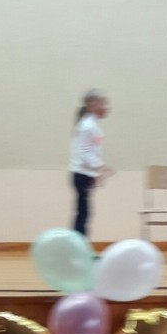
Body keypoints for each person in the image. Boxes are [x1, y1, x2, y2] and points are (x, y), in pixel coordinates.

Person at [68, 89, 111, 237]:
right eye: (102, 104)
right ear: (92, 105)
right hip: (81, 174)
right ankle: (78, 245)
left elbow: (90, 151)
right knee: (83, 214)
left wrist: (95, 173)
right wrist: (100, 167)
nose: (106, 107)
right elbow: (84, 151)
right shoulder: (88, 126)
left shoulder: (91, 124)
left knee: (83, 213)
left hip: (84, 174)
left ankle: (79, 244)